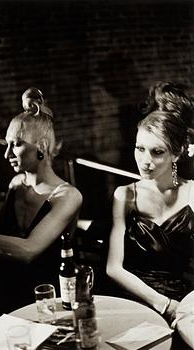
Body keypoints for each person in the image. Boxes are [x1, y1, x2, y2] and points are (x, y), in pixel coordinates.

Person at [0, 87, 82, 338]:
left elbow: (28, 250)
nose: (7, 154)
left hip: (44, 292)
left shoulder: (67, 195)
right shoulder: (17, 184)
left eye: (15, 145)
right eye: (6, 145)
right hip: (7, 278)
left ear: (41, 146)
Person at [106, 107, 194, 324]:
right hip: (136, 298)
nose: (145, 161)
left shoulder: (192, 192)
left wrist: (182, 306)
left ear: (176, 153)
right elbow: (113, 268)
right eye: (140, 148)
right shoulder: (124, 195)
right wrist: (163, 304)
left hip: (183, 300)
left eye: (157, 152)